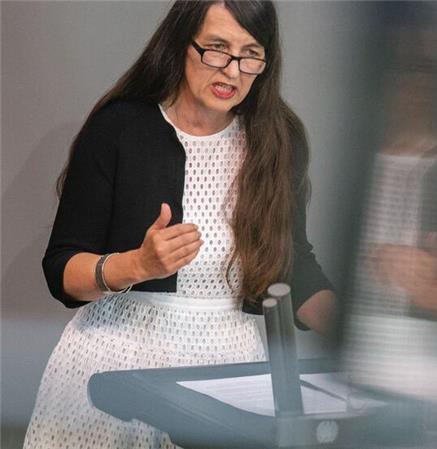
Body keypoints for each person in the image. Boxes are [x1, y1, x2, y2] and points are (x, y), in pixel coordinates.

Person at [25, 2, 335, 448]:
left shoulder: (279, 138)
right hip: (114, 368)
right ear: (181, 44)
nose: (232, 71)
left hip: (231, 375)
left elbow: (294, 267)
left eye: (251, 54)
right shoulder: (120, 127)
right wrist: (137, 265)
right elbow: (62, 272)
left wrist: (361, 339)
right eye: (216, 49)